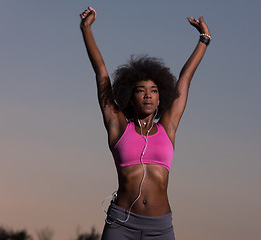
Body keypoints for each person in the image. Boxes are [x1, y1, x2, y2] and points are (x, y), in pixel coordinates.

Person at [80, 6, 210, 240]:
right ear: (131, 96)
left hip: (159, 228)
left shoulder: (167, 127)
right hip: (120, 224)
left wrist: (204, 40)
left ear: (161, 97)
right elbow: (101, 74)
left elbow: (186, 78)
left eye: (153, 91)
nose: (148, 95)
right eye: (141, 91)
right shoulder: (119, 127)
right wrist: (86, 28)